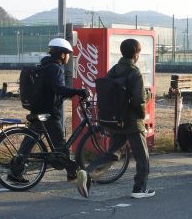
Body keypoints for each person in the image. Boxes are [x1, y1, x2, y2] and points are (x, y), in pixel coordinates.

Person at [14, 38, 90, 197]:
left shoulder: (43, 66)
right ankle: (73, 172)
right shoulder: (55, 69)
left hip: (37, 110)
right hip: (50, 113)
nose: (68, 57)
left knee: (29, 141)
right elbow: (59, 89)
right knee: (60, 147)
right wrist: (79, 92)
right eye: (68, 54)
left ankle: (15, 172)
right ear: (62, 55)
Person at [87, 38, 155, 198]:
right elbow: (138, 99)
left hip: (116, 119)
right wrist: (141, 114)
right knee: (142, 157)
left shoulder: (114, 70)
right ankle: (139, 189)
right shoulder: (134, 72)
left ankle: (87, 172)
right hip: (132, 121)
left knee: (113, 153)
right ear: (136, 54)